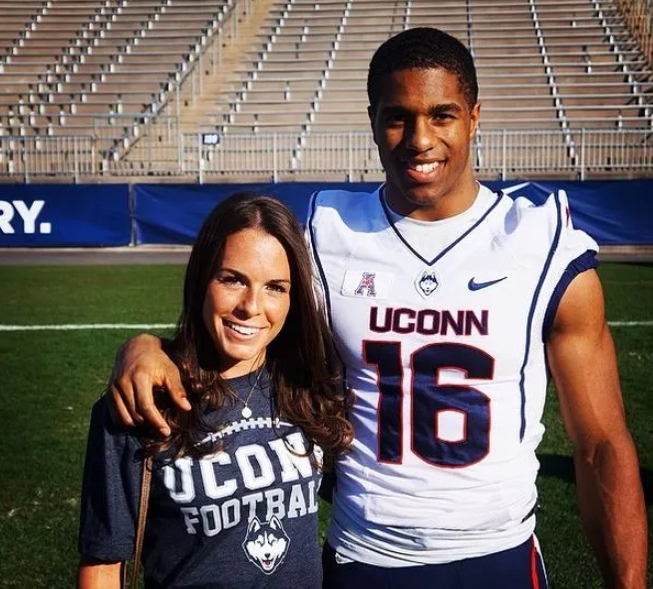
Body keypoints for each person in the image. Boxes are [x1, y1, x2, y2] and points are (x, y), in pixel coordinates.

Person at [106, 28, 648, 589]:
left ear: (474, 117)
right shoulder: (325, 235)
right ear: (372, 120)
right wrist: (144, 347)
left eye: (442, 115)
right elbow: (242, 325)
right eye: (398, 117)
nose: (420, 139)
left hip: (498, 553)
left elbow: (602, 443)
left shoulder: (541, 244)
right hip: (366, 555)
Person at [77, 192, 354, 589]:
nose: (251, 306)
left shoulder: (308, 383)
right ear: (201, 278)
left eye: (275, 287)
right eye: (233, 279)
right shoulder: (140, 402)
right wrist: (141, 346)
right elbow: (102, 567)